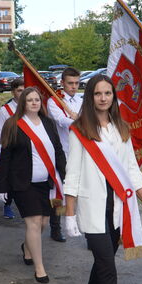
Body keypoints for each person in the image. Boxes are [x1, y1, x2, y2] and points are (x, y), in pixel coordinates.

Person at [63, 74, 142, 284]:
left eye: (107, 93)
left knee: (104, 260)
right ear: (90, 97)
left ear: (113, 96)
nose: (103, 98)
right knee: (108, 268)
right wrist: (69, 213)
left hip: (118, 208)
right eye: (97, 93)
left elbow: (131, 169)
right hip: (92, 209)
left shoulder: (121, 128)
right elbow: (72, 173)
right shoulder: (79, 130)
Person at [0, 87, 66, 283]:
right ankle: (40, 268)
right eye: (30, 100)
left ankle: (27, 247)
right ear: (23, 103)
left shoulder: (49, 123)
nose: (34, 103)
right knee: (34, 222)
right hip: (23, 183)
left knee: (43, 223)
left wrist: (66, 175)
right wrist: (1, 186)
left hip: (47, 183)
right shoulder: (13, 125)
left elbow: (58, 151)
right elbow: (6, 158)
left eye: (37, 99)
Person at [47, 67, 83, 242]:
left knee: (83, 192)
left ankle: (88, 231)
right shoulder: (55, 101)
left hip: (81, 152)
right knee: (59, 191)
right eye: (70, 83)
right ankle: (56, 228)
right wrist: (80, 121)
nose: (74, 87)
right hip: (62, 153)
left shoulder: (81, 100)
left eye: (76, 83)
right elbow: (62, 121)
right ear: (62, 83)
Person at [0, 78, 25, 219]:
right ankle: (7, 204)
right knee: (10, 178)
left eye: (24, 90)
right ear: (13, 92)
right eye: (19, 90)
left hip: (26, 149)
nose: (22, 93)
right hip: (11, 148)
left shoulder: (31, 107)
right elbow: (0, 132)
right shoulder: (5, 110)